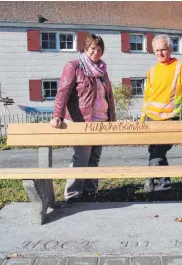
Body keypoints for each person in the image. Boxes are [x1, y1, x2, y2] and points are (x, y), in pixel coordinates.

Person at [50, 34, 116, 203]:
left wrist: (112, 118)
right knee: (81, 158)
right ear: (85, 48)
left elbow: (108, 95)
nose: (96, 52)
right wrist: (57, 115)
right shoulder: (74, 66)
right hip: (82, 121)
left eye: (100, 49)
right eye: (93, 48)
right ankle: (73, 195)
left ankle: (90, 192)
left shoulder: (102, 70)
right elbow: (63, 91)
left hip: (101, 120)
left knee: (94, 158)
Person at [139, 34, 182, 192]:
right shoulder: (152, 71)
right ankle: (164, 184)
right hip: (151, 118)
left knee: (158, 151)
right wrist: (142, 118)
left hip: (169, 119)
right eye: (156, 50)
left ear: (170, 49)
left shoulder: (181, 66)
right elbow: (147, 97)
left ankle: (150, 181)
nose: (160, 53)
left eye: (163, 49)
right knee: (155, 151)